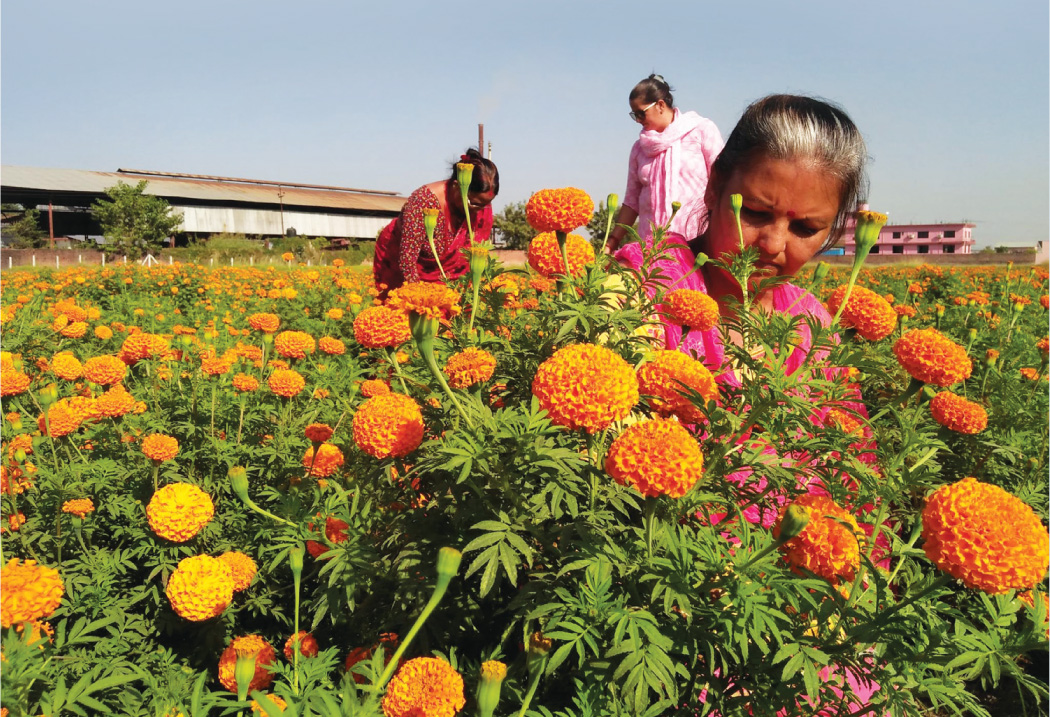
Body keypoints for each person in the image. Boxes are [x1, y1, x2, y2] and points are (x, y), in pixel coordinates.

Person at [681, 93, 867, 370]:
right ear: (714, 187)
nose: (773, 245)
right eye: (756, 212)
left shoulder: (815, 329)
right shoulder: (642, 291)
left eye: (807, 228)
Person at [606, 74, 725, 347]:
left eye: (641, 113)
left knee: (695, 325)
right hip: (651, 252)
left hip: (696, 247)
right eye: (633, 115)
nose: (638, 120)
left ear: (660, 104)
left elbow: (723, 183)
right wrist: (611, 243)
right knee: (652, 326)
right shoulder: (639, 149)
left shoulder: (700, 131)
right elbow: (631, 201)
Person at [373, 148, 499, 297]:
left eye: (486, 205)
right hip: (400, 267)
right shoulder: (423, 202)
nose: (481, 211)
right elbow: (407, 262)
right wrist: (422, 302)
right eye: (475, 204)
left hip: (448, 280)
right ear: (457, 186)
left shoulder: (480, 206)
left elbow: (476, 253)